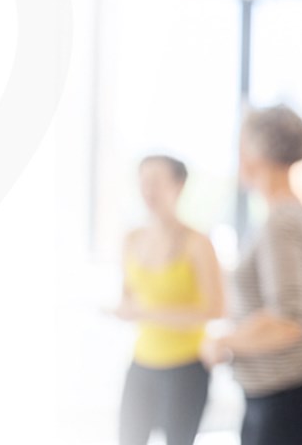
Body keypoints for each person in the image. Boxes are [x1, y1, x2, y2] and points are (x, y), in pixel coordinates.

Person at [201, 104, 302, 445]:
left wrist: (222, 341)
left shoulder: (282, 222)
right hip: (286, 399)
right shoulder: (291, 213)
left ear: (254, 154)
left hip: (286, 405)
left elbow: (289, 320)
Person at [113, 155, 225, 445]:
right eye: (143, 181)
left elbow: (216, 308)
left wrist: (147, 313)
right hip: (141, 362)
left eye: (156, 182)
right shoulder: (131, 239)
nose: (147, 190)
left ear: (178, 185)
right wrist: (125, 310)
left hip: (186, 368)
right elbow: (128, 299)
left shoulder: (198, 243)